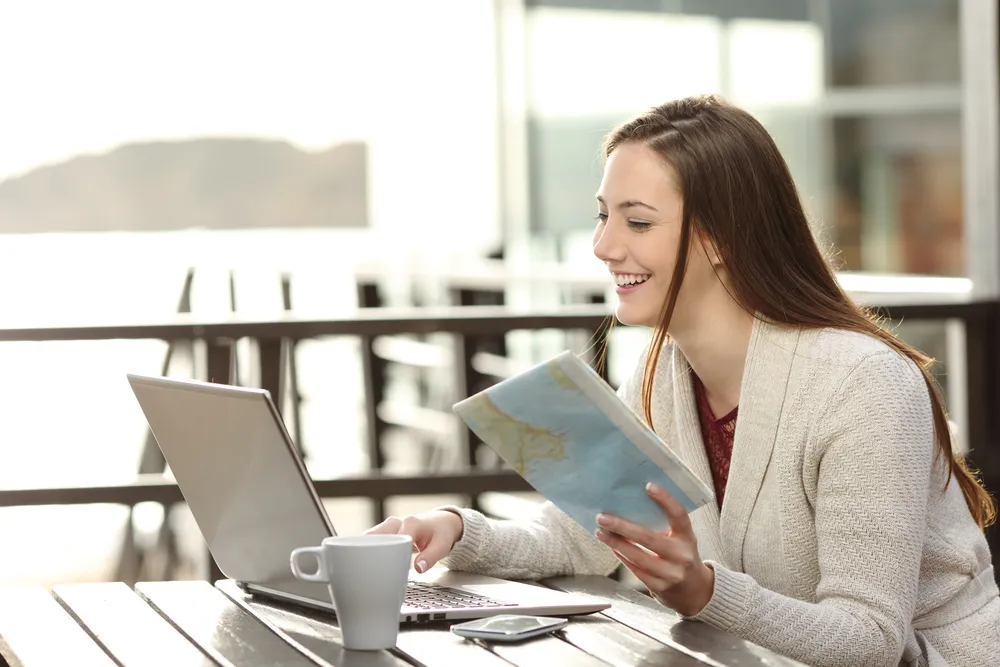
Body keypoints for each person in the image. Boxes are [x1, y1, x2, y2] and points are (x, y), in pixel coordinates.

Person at [367, 94, 1000, 666]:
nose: (602, 246)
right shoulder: (662, 372)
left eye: (637, 222)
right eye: (603, 215)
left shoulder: (862, 386)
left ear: (721, 237)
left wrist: (704, 592)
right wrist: (455, 528)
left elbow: (868, 641)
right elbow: (583, 537)